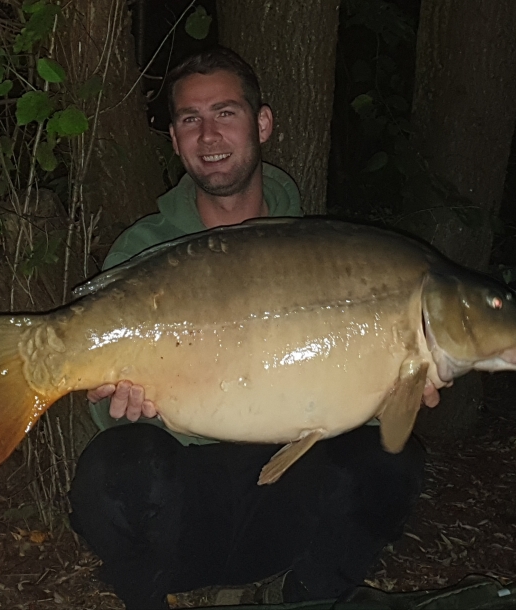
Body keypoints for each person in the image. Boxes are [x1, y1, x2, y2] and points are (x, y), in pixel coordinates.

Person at [68, 46, 426, 610]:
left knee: (387, 454)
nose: (209, 136)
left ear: (262, 123)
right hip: (187, 512)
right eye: (191, 119)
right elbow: (99, 400)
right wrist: (116, 404)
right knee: (119, 463)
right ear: (174, 138)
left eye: (226, 113)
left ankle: (308, 594)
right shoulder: (142, 250)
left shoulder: (320, 252)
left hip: (284, 502)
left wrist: (391, 391)